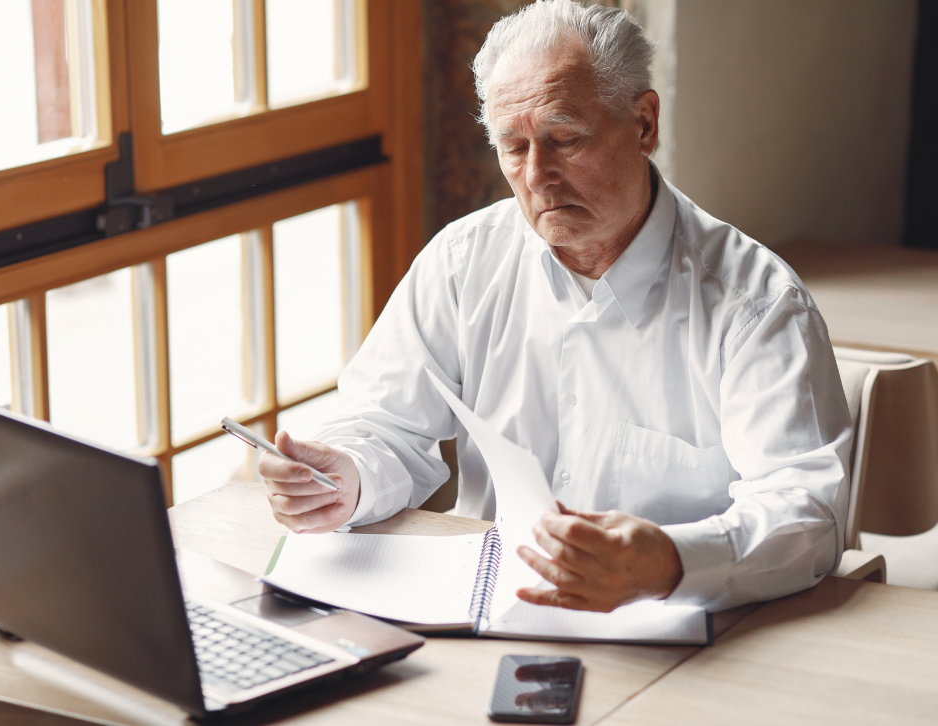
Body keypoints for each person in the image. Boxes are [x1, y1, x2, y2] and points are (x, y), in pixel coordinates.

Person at [258, 0, 851, 614]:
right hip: (487, 611)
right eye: (513, 147)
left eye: (564, 139)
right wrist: (343, 478)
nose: (538, 176)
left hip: (682, 627)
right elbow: (385, 424)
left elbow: (807, 512)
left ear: (644, 123)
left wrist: (672, 561)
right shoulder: (464, 263)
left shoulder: (755, 304)